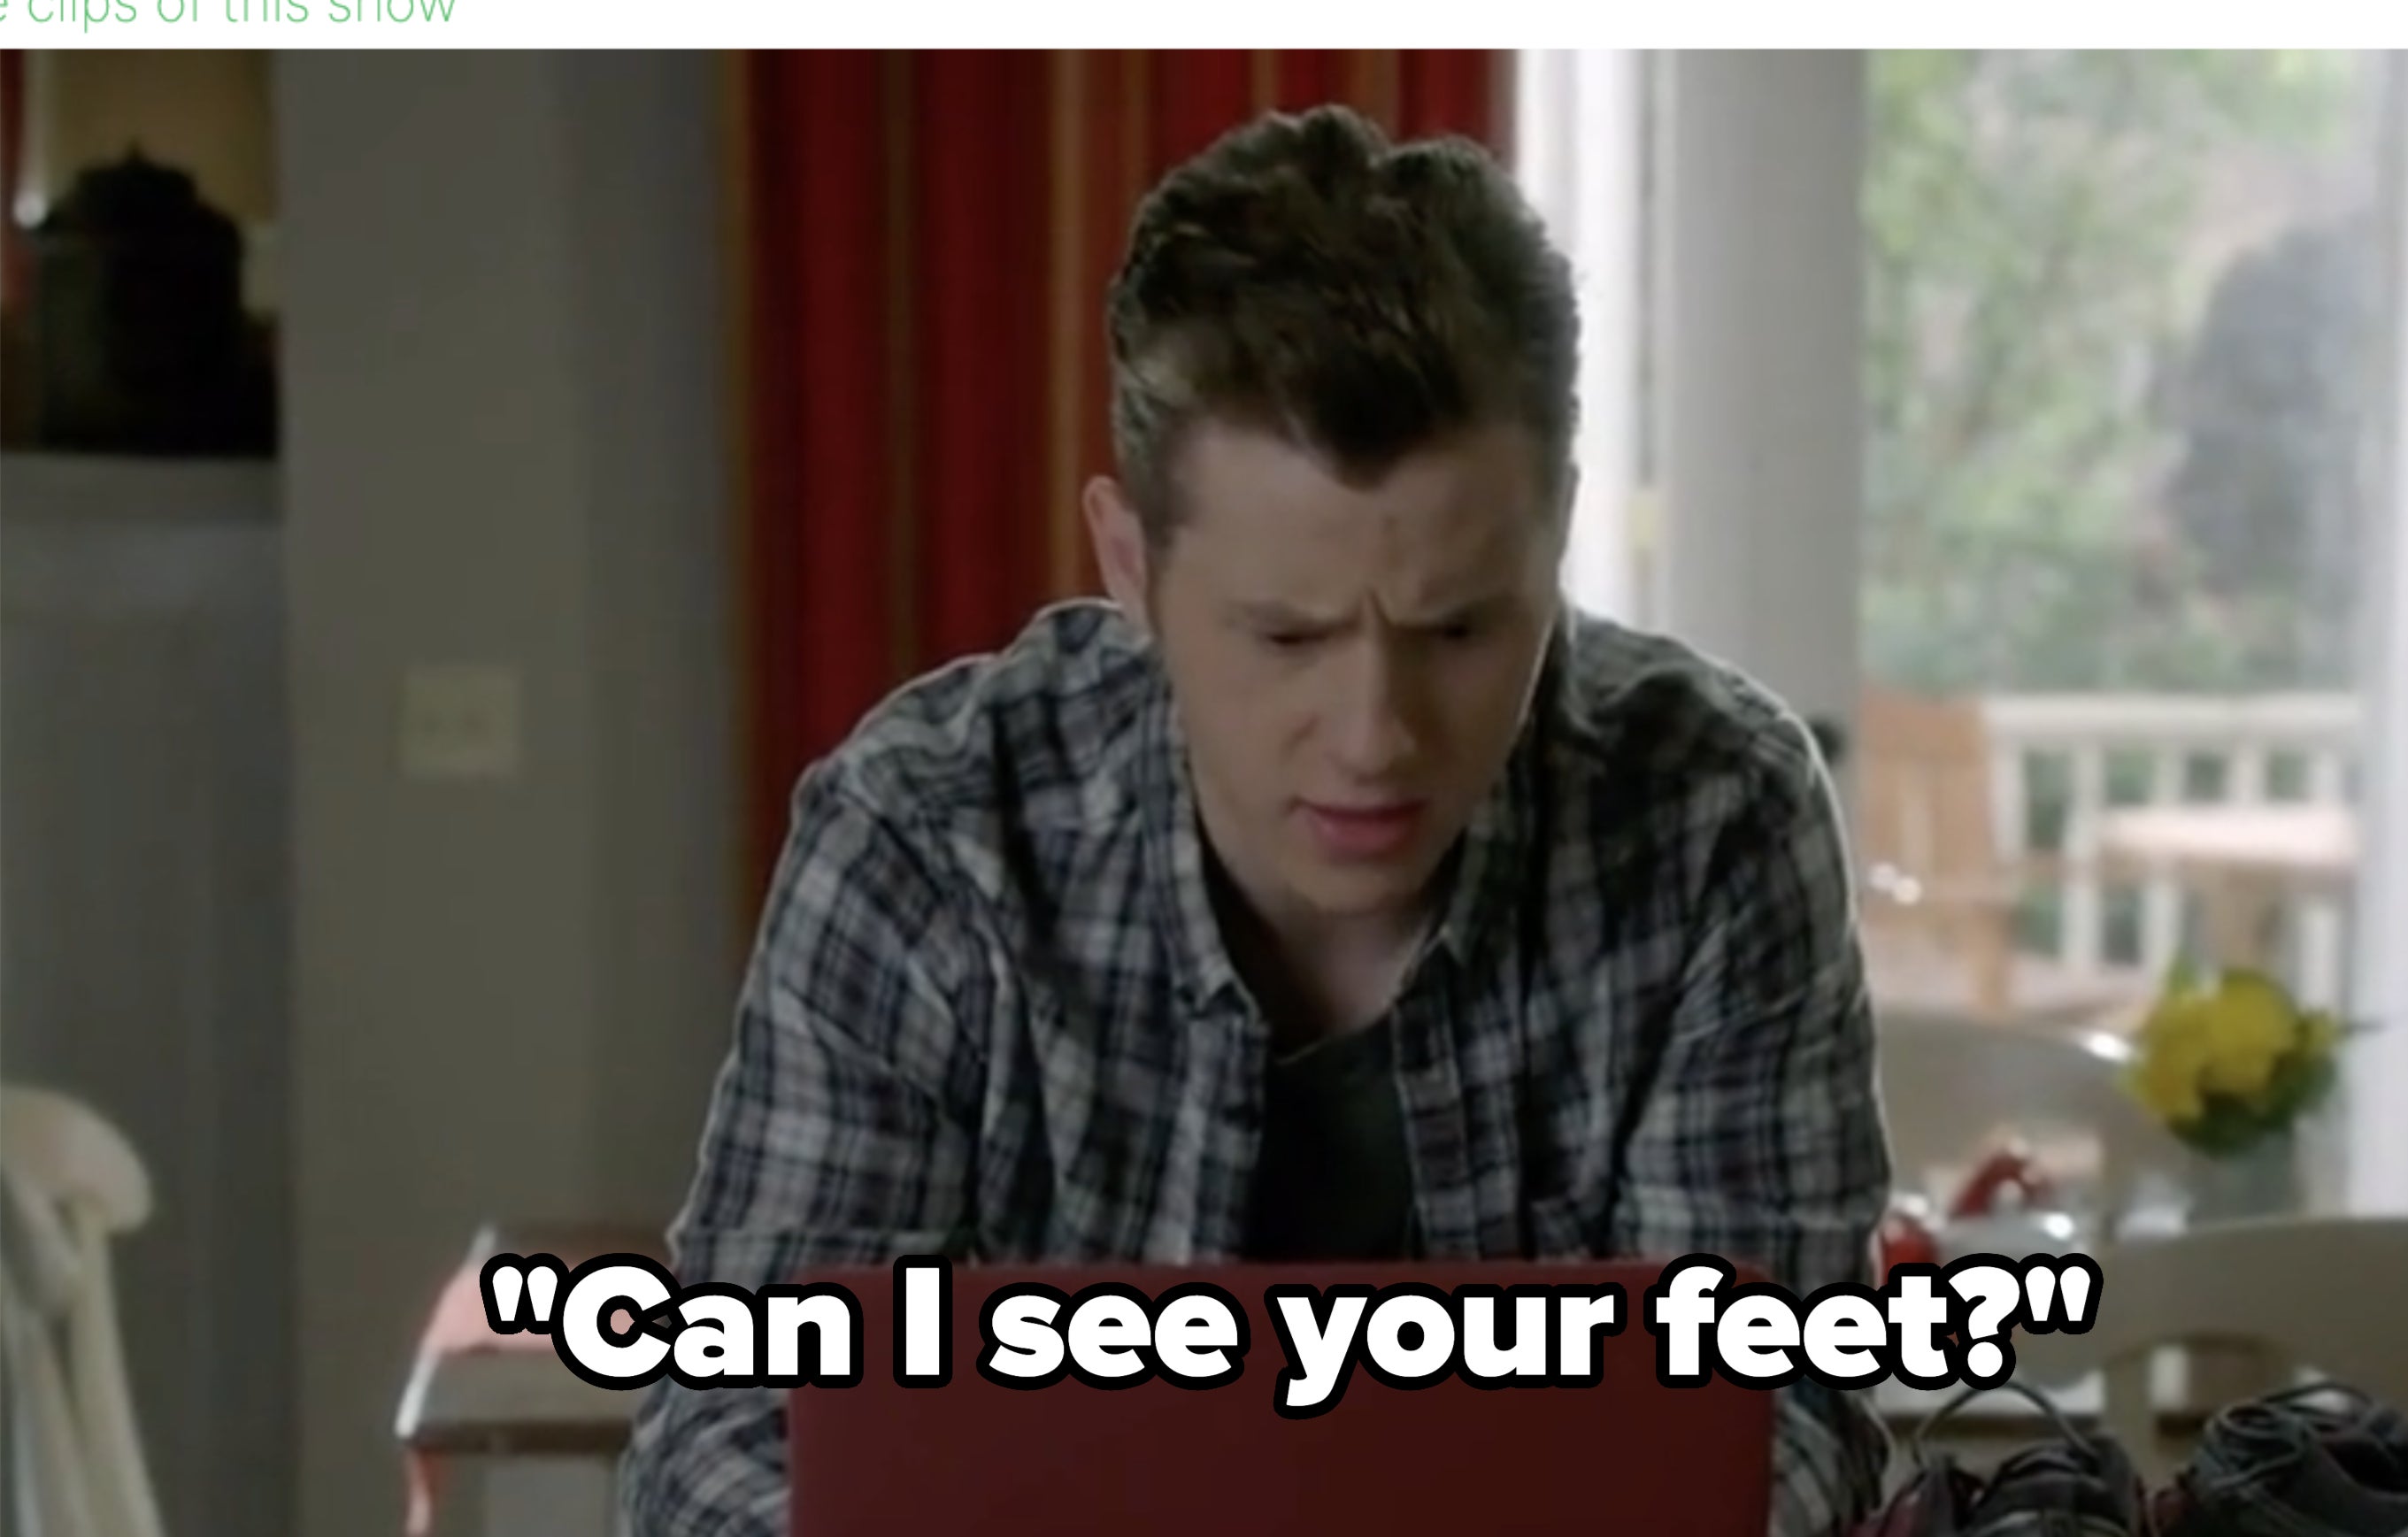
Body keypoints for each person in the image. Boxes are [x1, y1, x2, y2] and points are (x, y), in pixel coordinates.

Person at [619, 103, 1892, 1537]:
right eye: (1285, 637)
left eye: (1463, 628)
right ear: (1130, 567)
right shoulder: (927, 835)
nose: (1374, 738)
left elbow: (1785, 1412)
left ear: (1558, 538)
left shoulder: (1717, 817)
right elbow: (728, 1427)